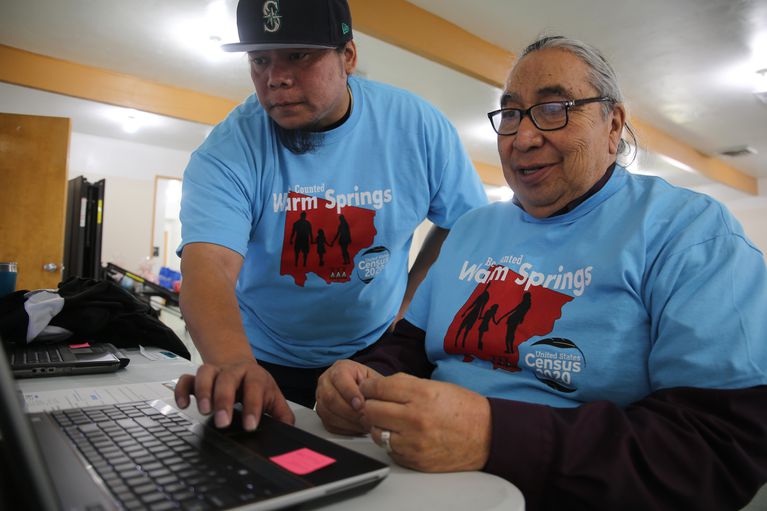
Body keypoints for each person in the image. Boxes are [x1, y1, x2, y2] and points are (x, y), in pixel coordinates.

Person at [315, 35, 767, 510]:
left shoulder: (691, 234)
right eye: (510, 114)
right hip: (417, 483)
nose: (523, 137)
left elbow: (717, 447)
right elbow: (409, 345)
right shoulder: (472, 229)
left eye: (554, 108)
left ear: (613, 125)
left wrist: (493, 436)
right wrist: (362, 377)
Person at [173, 0, 487, 430]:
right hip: (265, 357)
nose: (275, 78)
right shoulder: (229, 150)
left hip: (378, 349)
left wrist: (411, 300)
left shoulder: (416, 127)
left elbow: (465, 224)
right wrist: (232, 363)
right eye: (260, 60)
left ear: (349, 57)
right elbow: (207, 265)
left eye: (298, 56)